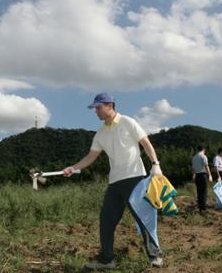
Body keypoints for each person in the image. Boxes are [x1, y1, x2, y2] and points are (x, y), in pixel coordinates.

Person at [63, 93, 163, 270]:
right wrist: (74, 167)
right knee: (106, 220)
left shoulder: (128, 122)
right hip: (115, 182)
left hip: (135, 178)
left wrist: (155, 164)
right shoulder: (100, 133)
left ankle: (155, 255)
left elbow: (146, 143)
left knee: (143, 218)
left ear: (110, 105)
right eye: (95, 108)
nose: (96, 111)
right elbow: (91, 156)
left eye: (98, 107)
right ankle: (107, 260)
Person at [192, 146, 213, 211]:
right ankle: (203, 208)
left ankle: (200, 207)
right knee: (204, 192)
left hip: (197, 176)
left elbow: (193, 168)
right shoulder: (203, 156)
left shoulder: (194, 157)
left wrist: (194, 175)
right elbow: (206, 166)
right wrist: (210, 175)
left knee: (199, 192)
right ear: (204, 149)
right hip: (203, 175)